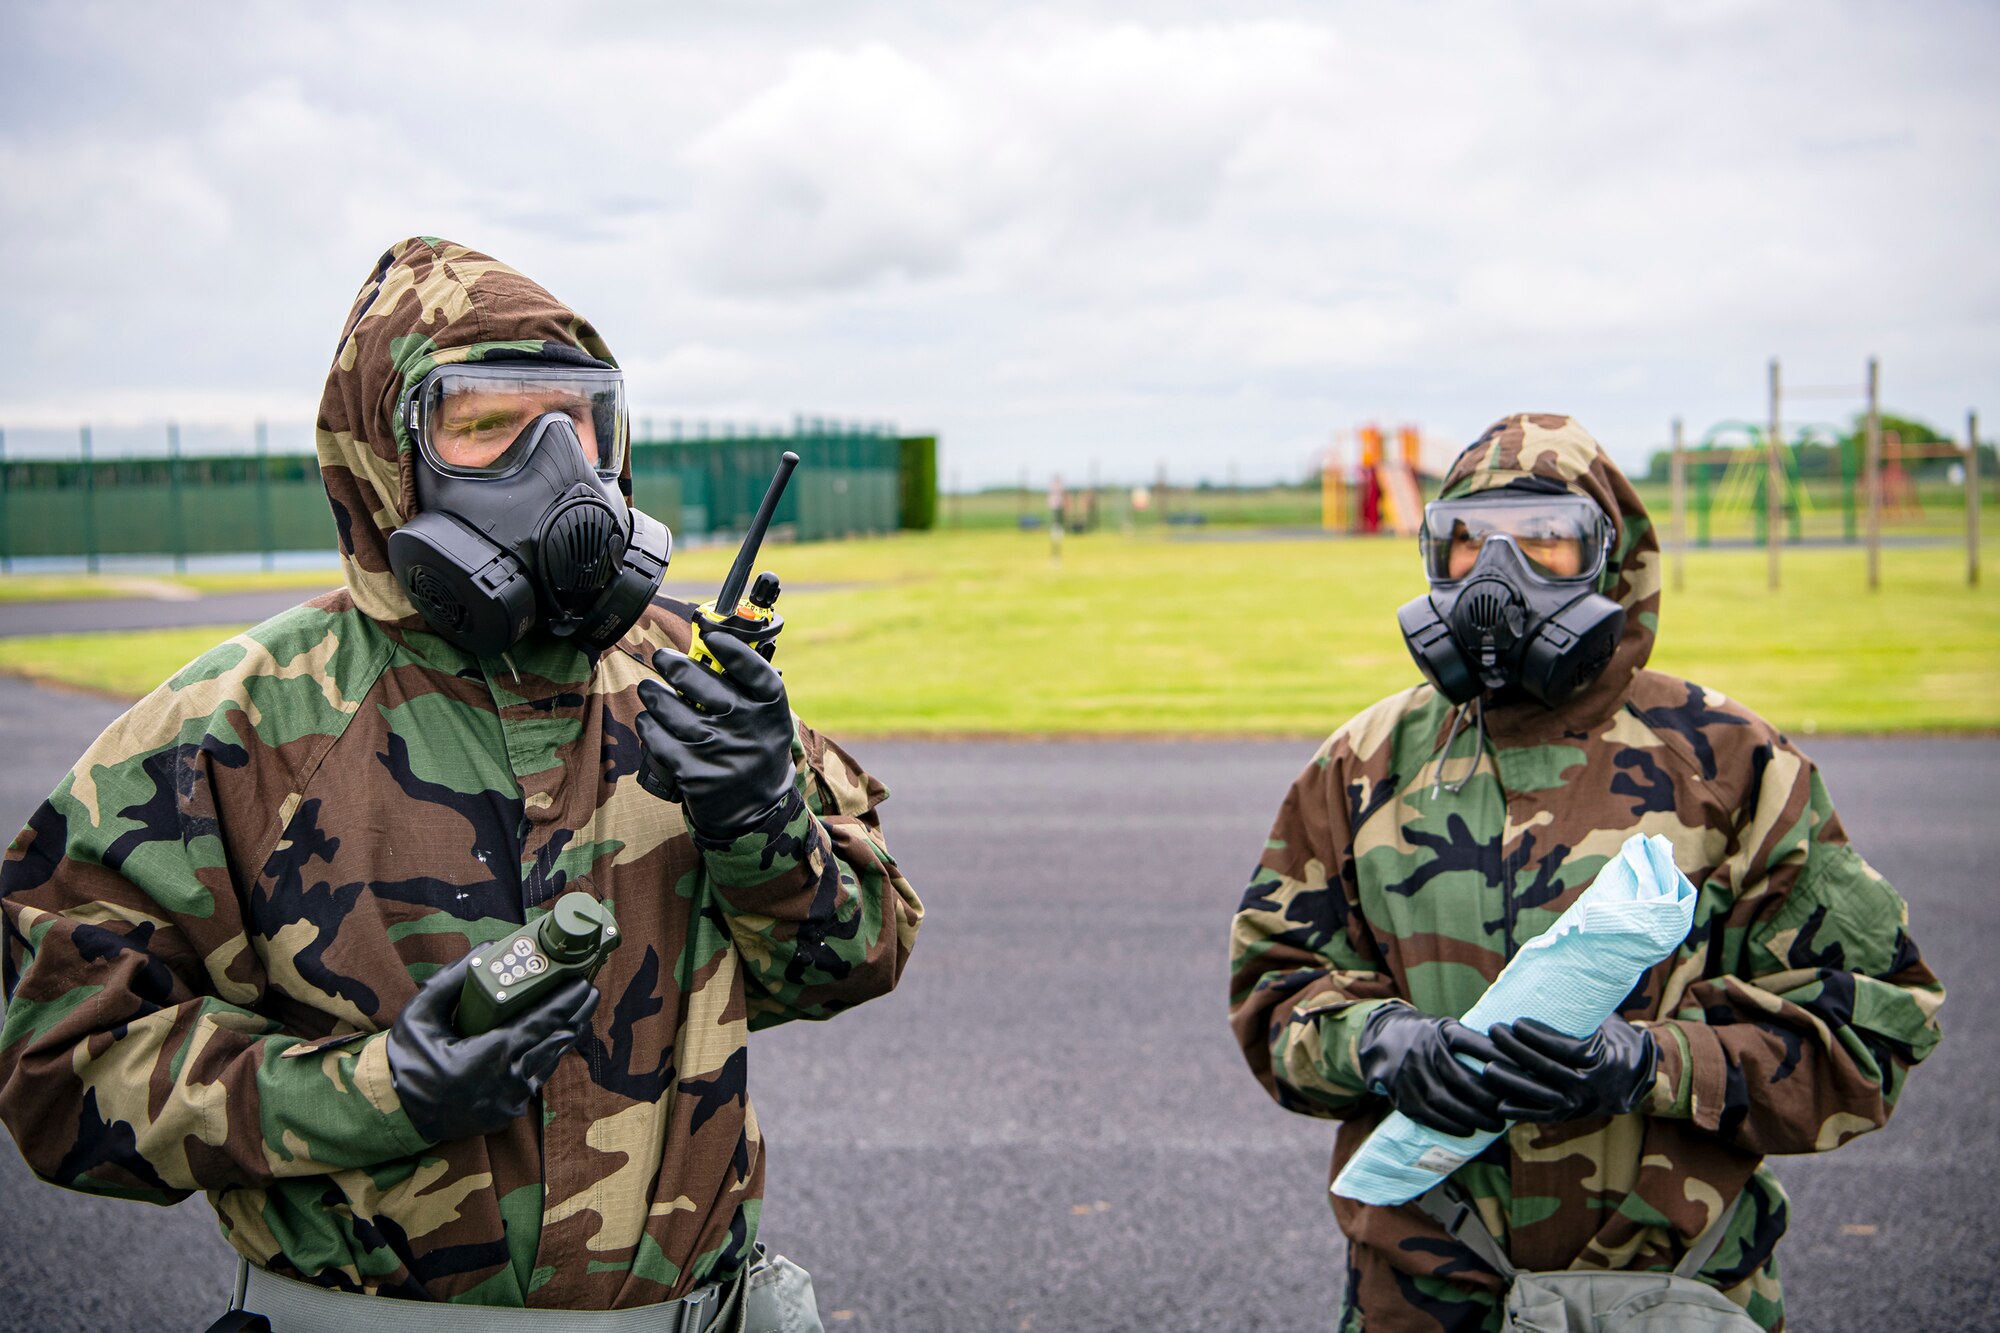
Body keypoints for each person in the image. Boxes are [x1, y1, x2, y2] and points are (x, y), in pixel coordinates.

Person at [0, 238, 922, 1328]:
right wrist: (379, 1090)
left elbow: (854, 960)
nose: (556, 468)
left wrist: (760, 817)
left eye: (573, 424)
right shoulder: (231, 731)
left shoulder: (691, 682)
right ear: (390, 461)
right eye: (485, 426)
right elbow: (59, 1076)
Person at [1228, 413, 1943, 1331]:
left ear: (1612, 558)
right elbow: (1276, 991)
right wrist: (1382, 1045)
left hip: (1672, 1293)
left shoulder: (1732, 762)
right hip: (1422, 1298)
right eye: (1464, 546)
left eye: (1545, 542)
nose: (1497, 579)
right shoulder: (1362, 765)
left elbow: (1867, 1033)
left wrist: (1652, 1063)